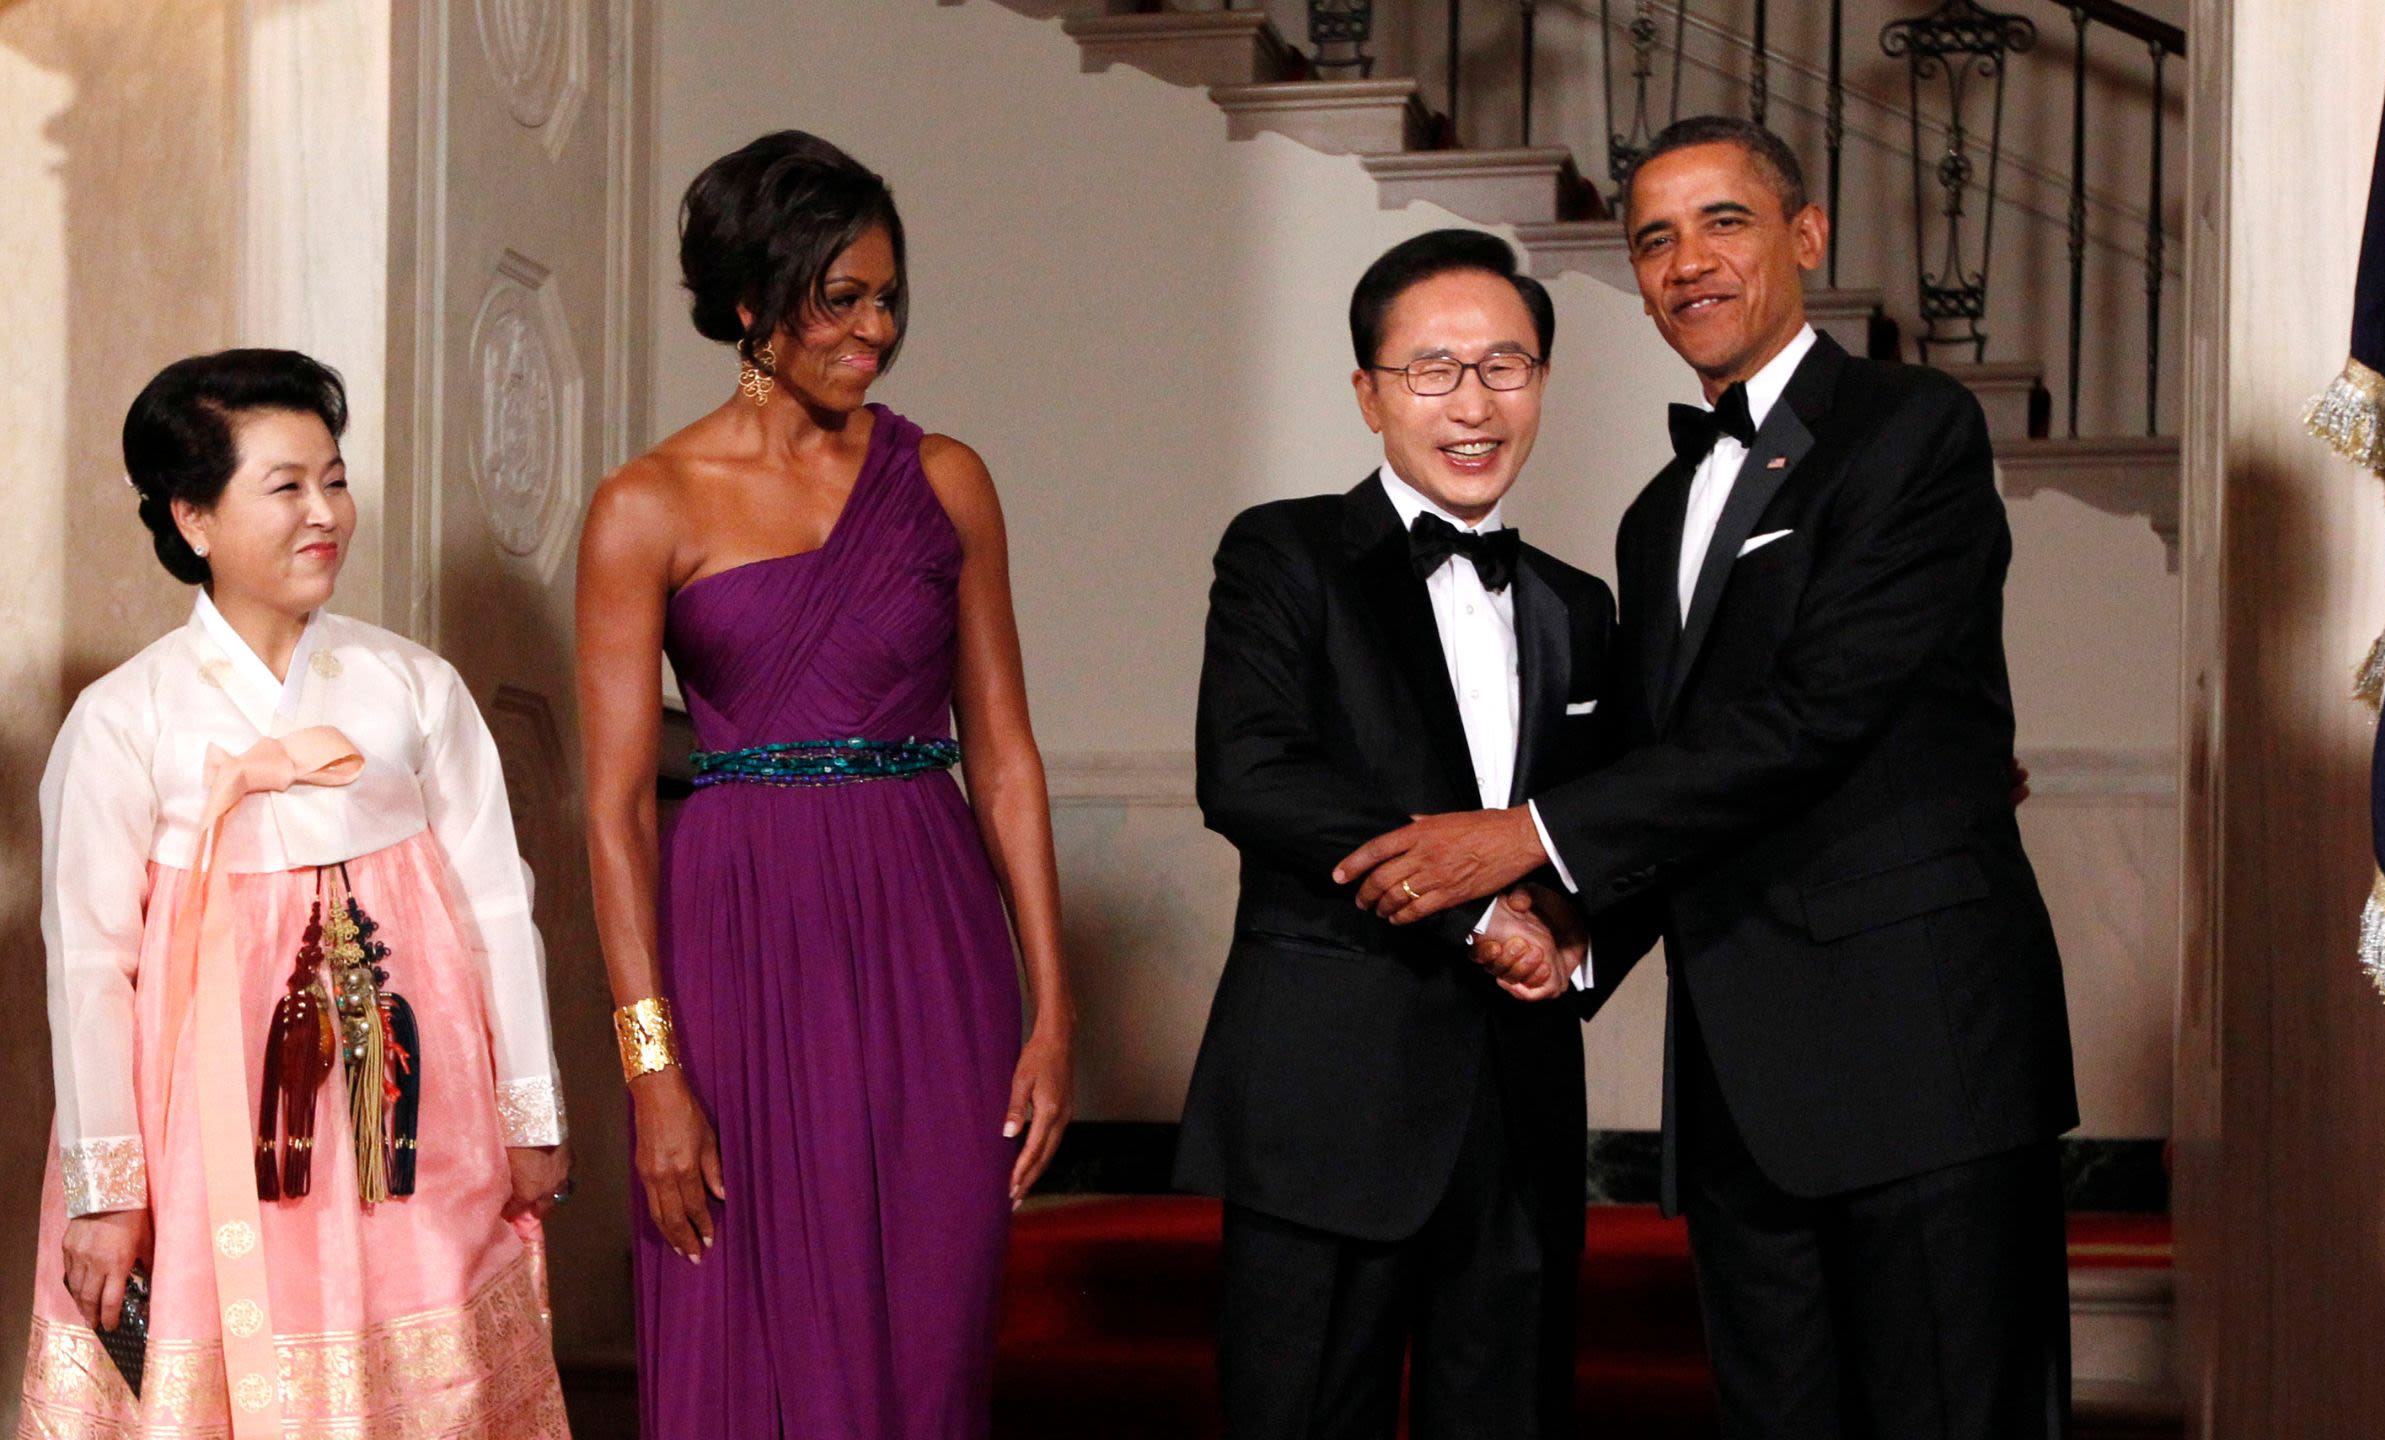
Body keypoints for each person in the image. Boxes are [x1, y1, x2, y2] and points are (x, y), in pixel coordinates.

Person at [1334, 118, 2080, 1439]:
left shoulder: (1912, 430)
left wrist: (1528, 837)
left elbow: (1818, 718)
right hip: (1741, 1081)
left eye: (1723, 221)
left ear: (1807, 235)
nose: (1688, 262)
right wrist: (1570, 937)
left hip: (1922, 1058)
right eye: (1654, 238)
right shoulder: (1656, 515)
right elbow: (1673, 773)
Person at [576, 130, 1074, 1439]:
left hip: (930, 938)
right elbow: (620, 809)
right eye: (838, 298)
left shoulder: (946, 480)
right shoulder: (646, 505)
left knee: (929, 1332)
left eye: (887, 297)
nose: (873, 331)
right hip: (743, 946)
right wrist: (650, 1070)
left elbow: (1008, 755)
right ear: (751, 302)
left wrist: (1053, 1008)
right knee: (742, 1317)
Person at [19, 348, 573, 1437]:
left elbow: (498, 908)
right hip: (205, 1134)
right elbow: (90, 963)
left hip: (412, 1114)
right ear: (193, 517)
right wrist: (107, 1190)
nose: (324, 512)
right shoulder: (128, 720)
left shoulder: (415, 689)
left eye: (334, 479)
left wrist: (530, 1109)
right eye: (285, 487)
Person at [1175, 228, 1617, 1440]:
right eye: (1432, 371)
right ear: (1368, 393)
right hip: (1330, 1094)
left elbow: (1606, 819)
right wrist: (1477, 913)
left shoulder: (1580, 604)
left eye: (1505, 366)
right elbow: (1253, 773)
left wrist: (1573, 943)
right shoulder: (1283, 551)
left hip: (1520, 1104)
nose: (1472, 404)